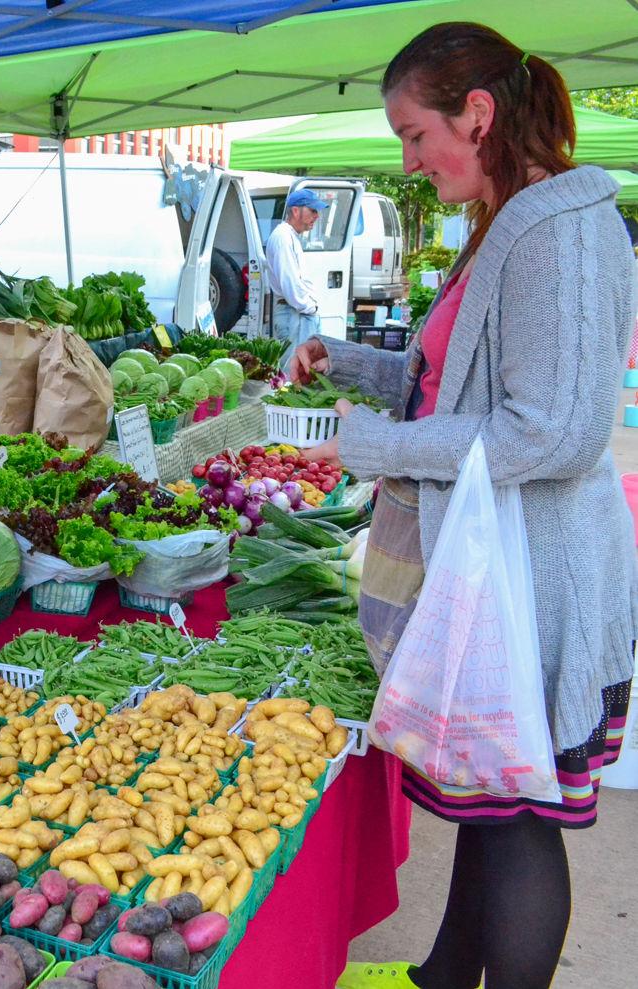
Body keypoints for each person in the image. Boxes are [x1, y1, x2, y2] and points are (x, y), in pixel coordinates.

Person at [288, 24, 636, 989]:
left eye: (412, 133)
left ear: (477, 116)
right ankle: (443, 974)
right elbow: (461, 378)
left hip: (537, 578)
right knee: (493, 803)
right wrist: (351, 362)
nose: (406, 159)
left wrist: (376, 446)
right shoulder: (510, 217)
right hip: (500, 569)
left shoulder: (558, 232)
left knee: (521, 821)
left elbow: (552, 432)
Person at [264, 188, 327, 366]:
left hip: (295, 312)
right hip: (293, 314)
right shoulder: (283, 237)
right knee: (294, 375)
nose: (317, 216)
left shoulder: (288, 236)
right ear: (295, 210)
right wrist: (309, 307)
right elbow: (290, 283)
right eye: (313, 210)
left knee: (301, 372)